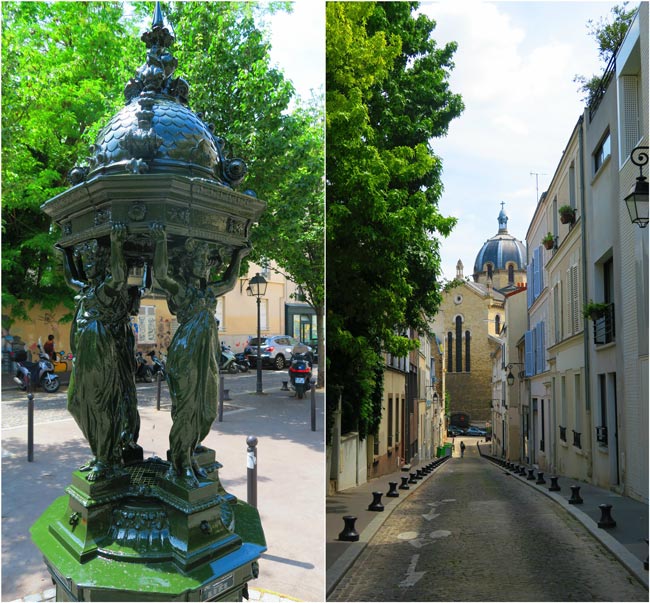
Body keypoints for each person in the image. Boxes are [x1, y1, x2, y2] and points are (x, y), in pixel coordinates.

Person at [151, 223, 250, 488]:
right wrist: (161, 241)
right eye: (198, 259)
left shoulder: (207, 292)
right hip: (186, 353)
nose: (204, 264)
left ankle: (190, 452)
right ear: (187, 264)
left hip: (206, 356)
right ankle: (180, 464)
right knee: (186, 410)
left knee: (205, 410)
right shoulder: (183, 292)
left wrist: (238, 256)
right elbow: (160, 274)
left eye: (206, 260)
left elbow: (229, 281)